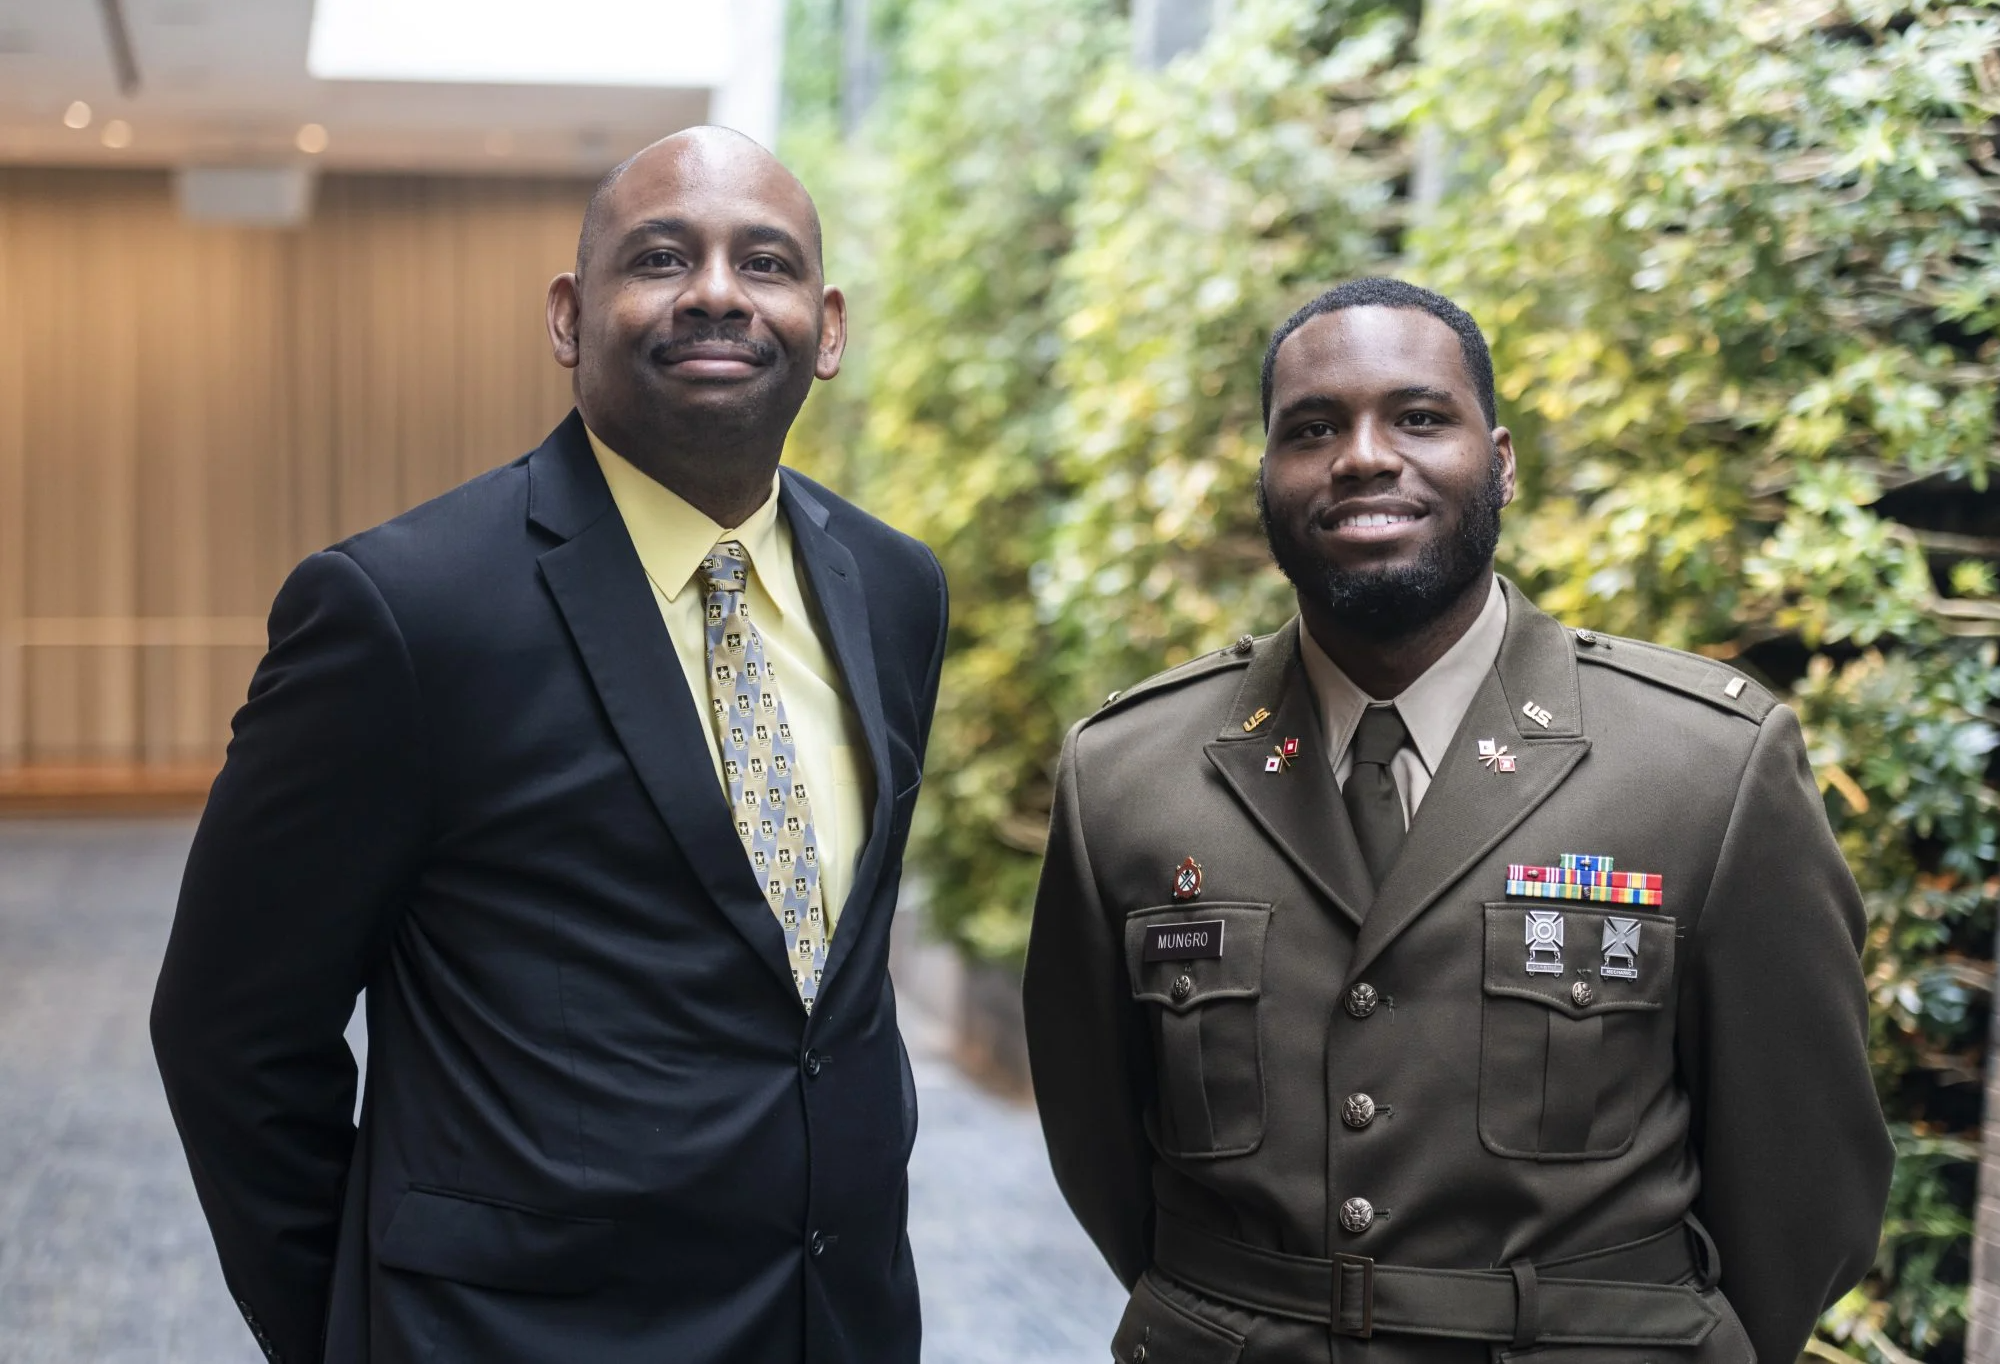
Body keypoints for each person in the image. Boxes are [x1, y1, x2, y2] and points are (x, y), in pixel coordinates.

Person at [151, 127, 946, 1364]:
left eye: (767, 262)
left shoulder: (896, 590)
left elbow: (828, 989)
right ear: (570, 316)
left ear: (826, 327)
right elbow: (229, 1033)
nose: (718, 292)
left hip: (835, 1323)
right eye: (662, 256)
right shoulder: (403, 613)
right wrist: (359, 1332)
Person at [1023, 277, 1891, 1364]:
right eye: (1311, 429)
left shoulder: (1702, 768)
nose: (1362, 456)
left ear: (1502, 460)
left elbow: (1805, 1187)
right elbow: (1100, 1151)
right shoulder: (1128, 777)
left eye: (1418, 417)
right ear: (1267, 477)